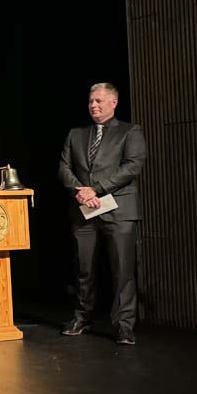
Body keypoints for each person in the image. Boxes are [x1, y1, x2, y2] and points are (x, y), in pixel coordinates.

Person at [58, 83, 146, 345]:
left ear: (113, 103)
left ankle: (124, 326)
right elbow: (64, 168)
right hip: (84, 210)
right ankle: (82, 317)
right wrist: (81, 191)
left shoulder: (130, 131)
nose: (93, 105)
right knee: (84, 269)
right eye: (90, 101)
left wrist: (95, 189)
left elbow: (132, 166)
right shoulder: (76, 134)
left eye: (98, 101)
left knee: (122, 270)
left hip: (118, 210)